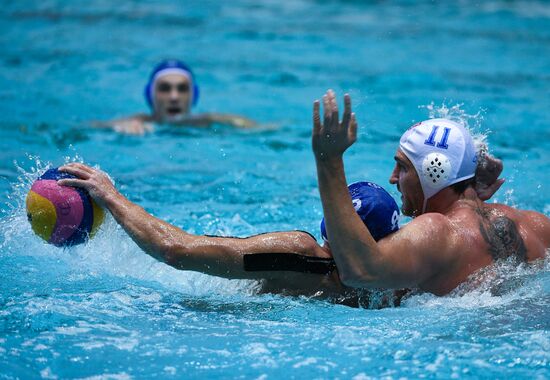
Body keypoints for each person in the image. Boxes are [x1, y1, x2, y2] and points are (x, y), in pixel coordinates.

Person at [56, 90, 521, 302]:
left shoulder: (305, 261)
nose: (395, 176)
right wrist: (471, 193)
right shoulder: (406, 280)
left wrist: (111, 196)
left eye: (402, 167)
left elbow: (176, 249)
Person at [312, 90, 549, 295]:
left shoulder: (438, 232)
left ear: (435, 172)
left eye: (403, 166)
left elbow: (362, 271)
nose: (393, 178)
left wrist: (328, 161)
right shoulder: (536, 224)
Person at [97, 59, 257, 135]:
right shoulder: (138, 122)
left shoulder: (208, 122)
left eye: (182, 89)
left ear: (193, 95)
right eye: (165, 89)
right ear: (150, 95)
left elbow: (258, 128)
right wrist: (121, 126)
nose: (174, 96)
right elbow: (91, 127)